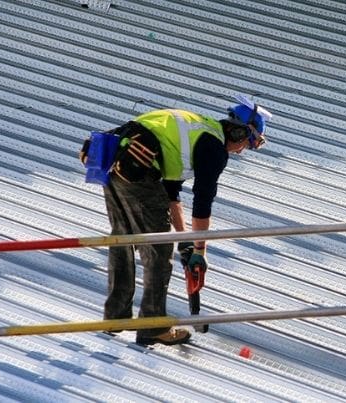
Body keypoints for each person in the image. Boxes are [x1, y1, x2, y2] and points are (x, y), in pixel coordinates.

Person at [96, 96, 271, 346]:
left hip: (116, 165)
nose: (243, 150)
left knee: (123, 240)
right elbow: (202, 203)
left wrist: (186, 240)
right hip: (139, 169)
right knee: (158, 249)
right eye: (249, 143)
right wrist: (200, 250)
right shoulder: (214, 148)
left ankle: (116, 316)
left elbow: (171, 193)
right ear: (239, 132)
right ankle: (152, 327)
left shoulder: (199, 132)